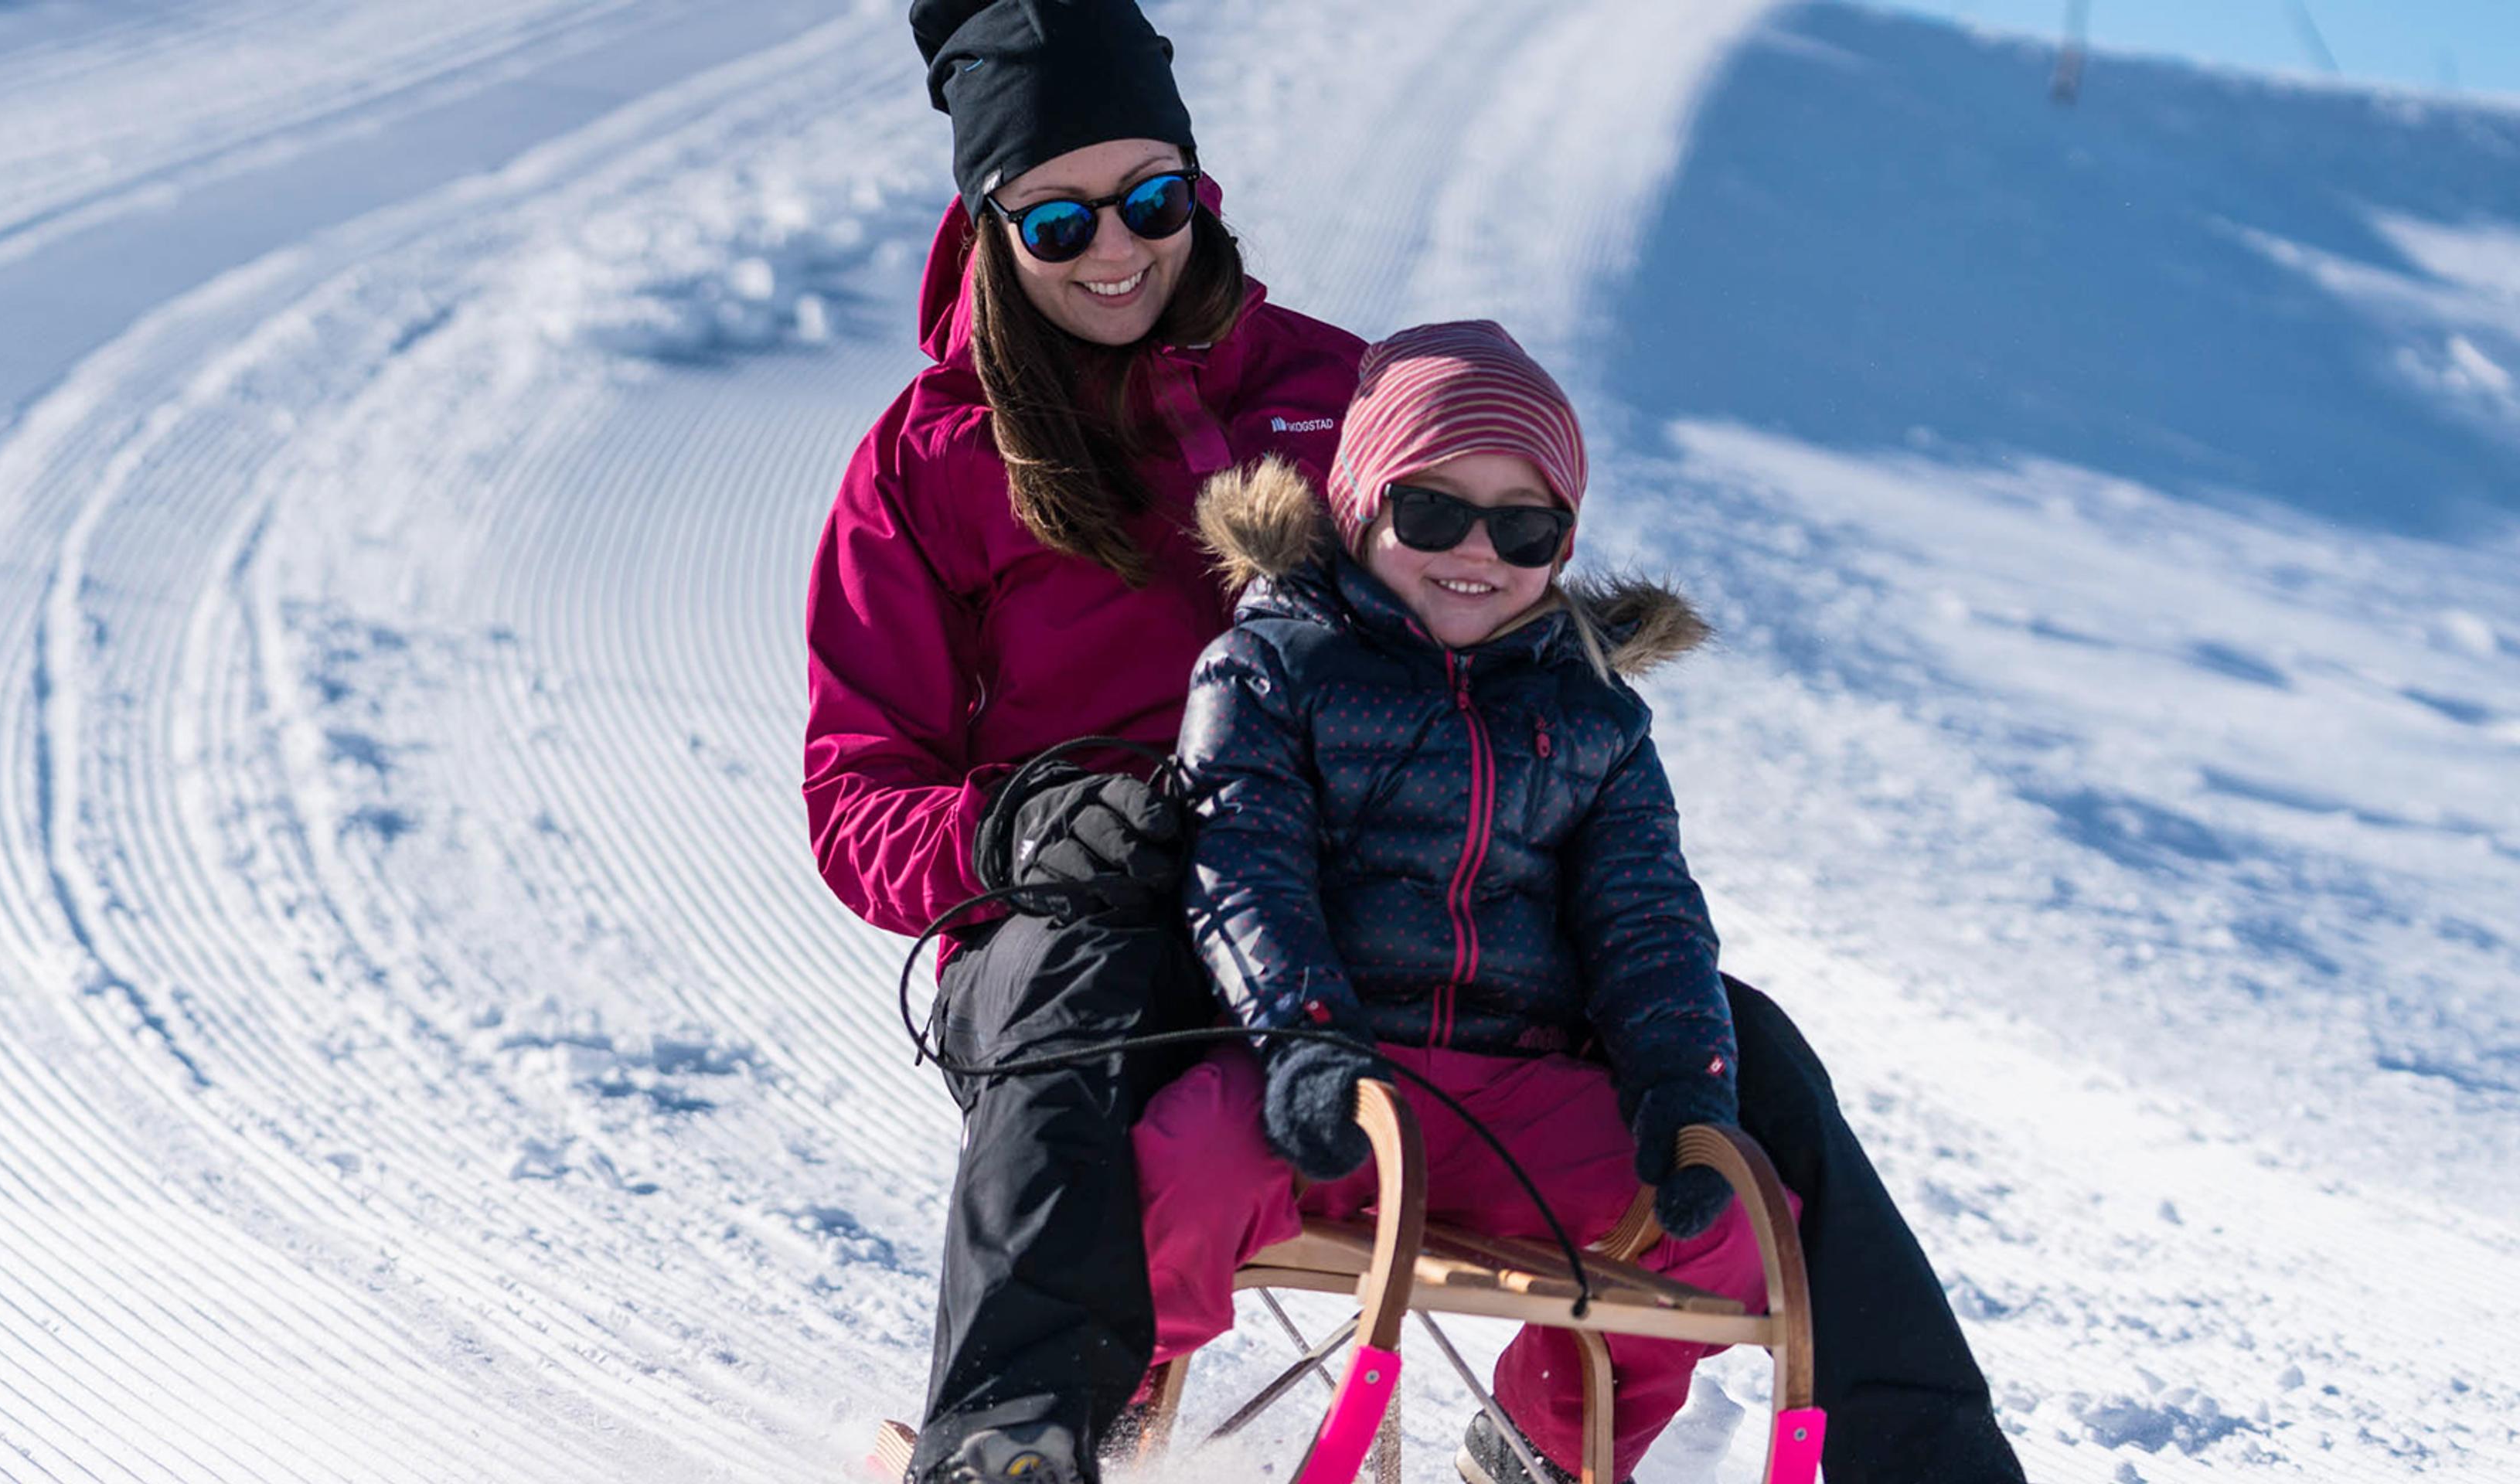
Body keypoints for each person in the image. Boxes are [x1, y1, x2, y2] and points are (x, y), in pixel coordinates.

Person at [803, 4, 2026, 1482]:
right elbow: (853, 791)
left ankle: (1932, 1455)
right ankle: (1017, 1432)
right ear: (990, 226)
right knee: (1081, 985)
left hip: (1367, 901)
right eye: (1060, 220)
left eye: (1152, 199)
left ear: (1198, 184)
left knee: (1734, 1041)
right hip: (1117, 914)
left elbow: (1488, 585)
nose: (1116, 249)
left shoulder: (1347, 396)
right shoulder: (927, 460)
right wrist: (1013, 839)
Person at [1136, 321, 1791, 1484]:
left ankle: (1541, 1445)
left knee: (1740, 1223)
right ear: (1359, 507)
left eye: (1524, 526)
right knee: (1188, 1158)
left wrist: (1686, 1101)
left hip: (1516, 1103)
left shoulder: (1595, 720)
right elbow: (1248, 871)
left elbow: (1651, 924)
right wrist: (1307, 1046)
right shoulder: (1272, 666)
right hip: (1327, 1087)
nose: (1475, 552)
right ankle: (1104, 1398)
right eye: (1432, 513)